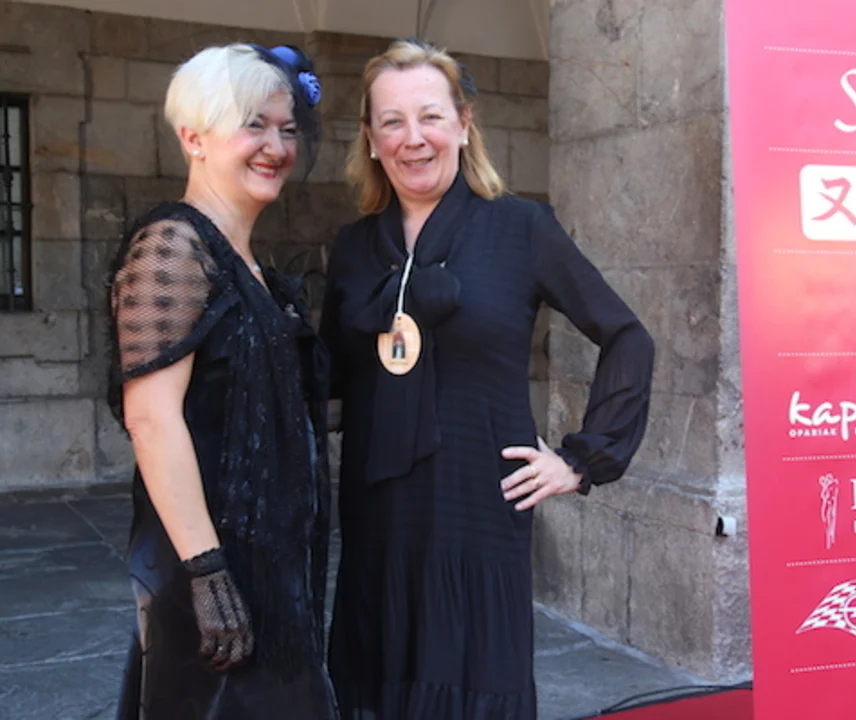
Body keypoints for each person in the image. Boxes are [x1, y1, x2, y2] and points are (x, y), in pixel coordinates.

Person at [321, 38, 655, 720]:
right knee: (376, 681)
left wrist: (582, 460)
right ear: (371, 139)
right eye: (392, 121)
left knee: (471, 681)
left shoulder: (521, 228)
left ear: (464, 123)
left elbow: (627, 337)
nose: (413, 138)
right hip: (379, 515)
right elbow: (332, 375)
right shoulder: (355, 247)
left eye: (430, 116)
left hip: (477, 509)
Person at [107, 43, 338, 719]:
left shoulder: (249, 265)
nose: (277, 147)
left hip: (267, 563)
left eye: (287, 129)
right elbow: (151, 418)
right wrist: (207, 572)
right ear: (193, 137)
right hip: (211, 563)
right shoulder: (173, 246)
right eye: (253, 125)